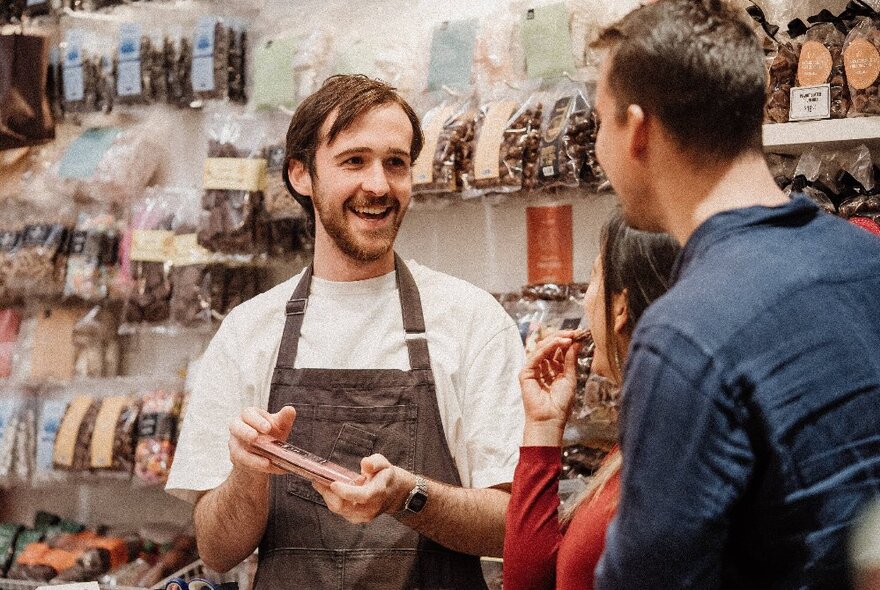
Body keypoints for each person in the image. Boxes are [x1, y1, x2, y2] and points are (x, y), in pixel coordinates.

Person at [165, 75, 526, 589]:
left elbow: (514, 526)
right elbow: (218, 550)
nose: (378, 185)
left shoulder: (472, 320)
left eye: (395, 163)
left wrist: (408, 496)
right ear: (301, 174)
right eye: (354, 161)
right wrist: (248, 473)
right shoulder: (248, 332)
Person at [587, 1, 880, 588]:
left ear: (638, 130)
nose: (597, 148)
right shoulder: (866, 262)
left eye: (600, 121)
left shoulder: (684, 337)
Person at [502, 212, 679, 590]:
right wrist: (544, 426)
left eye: (596, 277)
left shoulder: (665, 459)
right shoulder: (646, 437)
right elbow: (534, 582)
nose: (585, 300)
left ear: (620, 307)